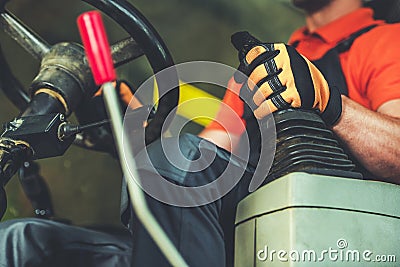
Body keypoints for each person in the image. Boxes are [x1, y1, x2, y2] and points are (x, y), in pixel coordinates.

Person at [1, 0, 400, 266]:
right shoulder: (266, 57)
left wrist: (332, 103)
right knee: (20, 241)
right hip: (225, 236)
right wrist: (133, 121)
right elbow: (207, 153)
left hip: (326, 236)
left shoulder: (384, 41)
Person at [130, 0, 400, 266]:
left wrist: (331, 102)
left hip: (346, 234)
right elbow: (197, 161)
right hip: (258, 221)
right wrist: (141, 139)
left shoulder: (386, 40)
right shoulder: (267, 63)